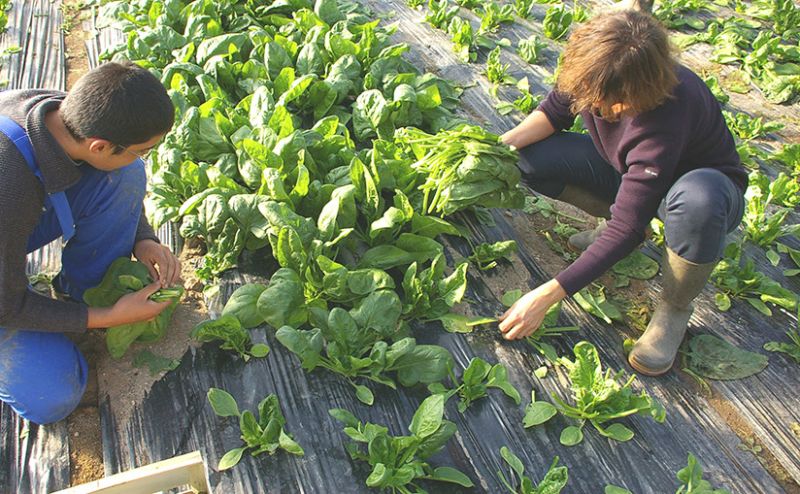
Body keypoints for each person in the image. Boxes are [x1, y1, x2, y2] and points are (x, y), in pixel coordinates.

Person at [497, 10, 747, 376]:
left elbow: (625, 226)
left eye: (614, 104)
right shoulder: (598, 71)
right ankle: (630, 226)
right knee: (530, 158)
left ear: (642, 90)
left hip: (699, 192)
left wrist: (547, 295)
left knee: (696, 201)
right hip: (632, 176)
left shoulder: (664, 115)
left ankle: (674, 309)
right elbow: (554, 113)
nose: (600, 110)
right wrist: (496, 147)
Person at [0, 62, 182, 424]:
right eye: (141, 149)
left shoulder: (60, 113)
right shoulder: (9, 191)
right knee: (52, 396)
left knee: (124, 173)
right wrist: (108, 317)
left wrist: (141, 236)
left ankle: (83, 292)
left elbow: (109, 170)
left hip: (12, 220)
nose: (143, 156)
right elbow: (5, 305)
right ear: (100, 146)